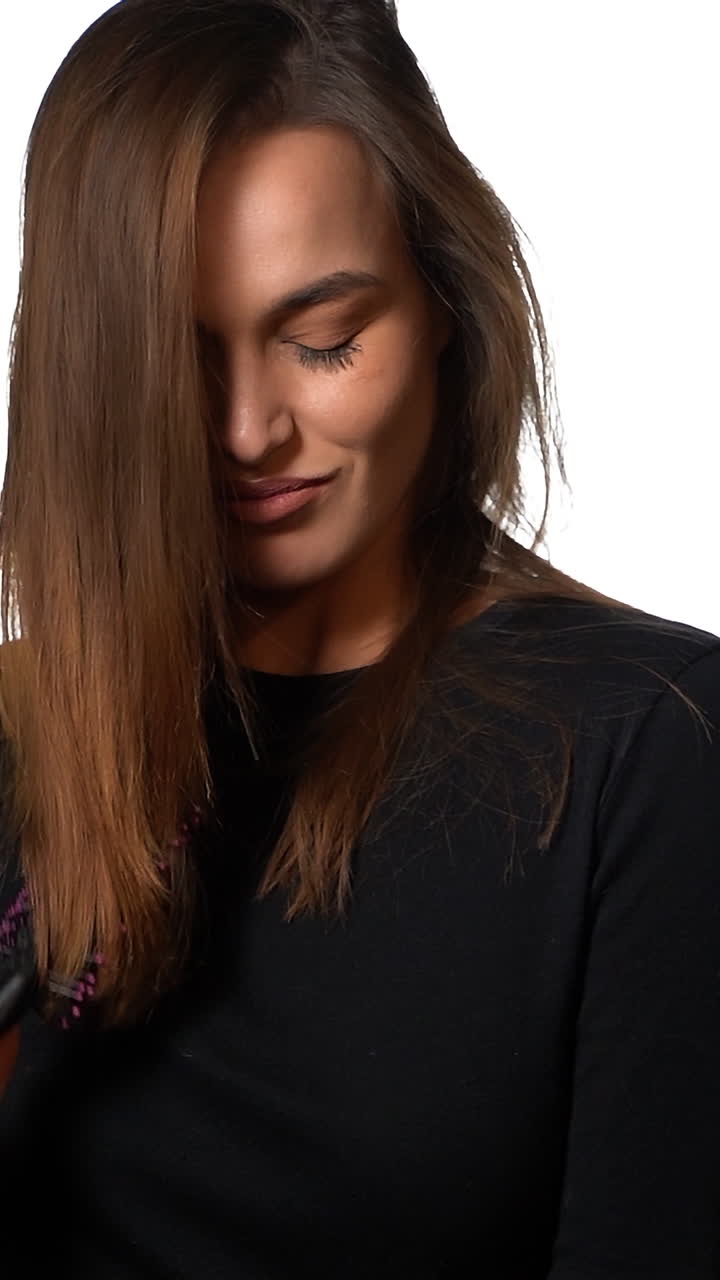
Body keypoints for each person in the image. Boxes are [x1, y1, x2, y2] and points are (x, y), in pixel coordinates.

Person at [1, 1, 719, 1275]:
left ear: (443, 301)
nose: (244, 430)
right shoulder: (25, 735)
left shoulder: (647, 745)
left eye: (323, 340)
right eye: (172, 358)